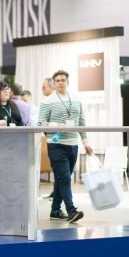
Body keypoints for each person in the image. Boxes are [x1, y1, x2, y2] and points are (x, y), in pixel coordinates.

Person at [38, 69, 93, 224]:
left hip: (73, 144)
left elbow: (81, 122)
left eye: (63, 80)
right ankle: (71, 210)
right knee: (64, 178)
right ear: (54, 84)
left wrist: (86, 142)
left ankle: (55, 211)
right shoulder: (47, 101)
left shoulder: (76, 99)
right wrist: (55, 125)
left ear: (67, 82)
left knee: (62, 179)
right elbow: (40, 123)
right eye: (57, 81)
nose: (60, 83)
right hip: (56, 144)